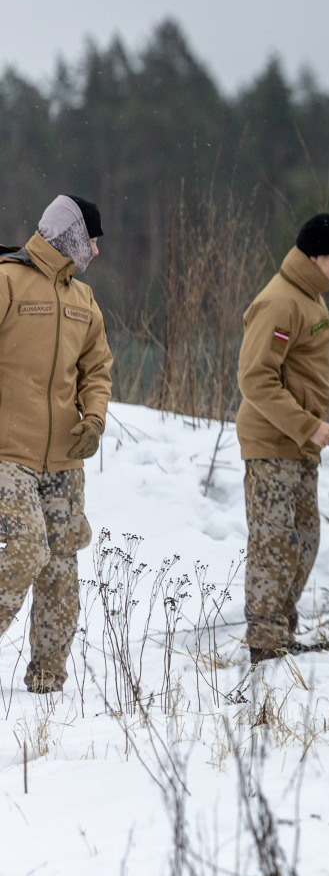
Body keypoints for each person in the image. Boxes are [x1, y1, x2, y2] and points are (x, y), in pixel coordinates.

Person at [236, 213, 329, 664]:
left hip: (299, 447)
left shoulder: (310, 297)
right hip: (274, 444)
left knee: (303, 540)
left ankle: (281, 627)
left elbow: (299, 367)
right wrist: (309, 425)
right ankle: (265, 642)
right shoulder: (280, 302)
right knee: (273, 543)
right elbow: (256, 379)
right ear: (314, 258)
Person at [0, 195, 113, 693]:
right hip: (7, 454)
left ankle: (48, 680)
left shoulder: (84, 300)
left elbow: (97, 369)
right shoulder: (6, 280)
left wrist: (94, 419)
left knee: (62, 565)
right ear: (68, 235)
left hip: (65, 460)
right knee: (26, 550)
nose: (95, 250)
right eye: (91, 239)